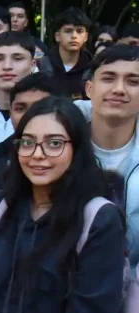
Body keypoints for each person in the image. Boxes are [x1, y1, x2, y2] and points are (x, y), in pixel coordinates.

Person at [0, 97, 127, 312]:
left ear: (77, 149)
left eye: (55, 143)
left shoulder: (99, 219)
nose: (37, 154)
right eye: (27, 142)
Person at [81, 44, 139, 270]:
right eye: (108, 78)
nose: (119, 89)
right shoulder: (59, 149)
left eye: (133, 81)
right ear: (89, 89)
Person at [0, 72, 65, 193]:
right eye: (20, 109)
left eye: (40, 108)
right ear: (10, 113)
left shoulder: (74, 157)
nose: (29, 115)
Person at [40, 8, 92, 100]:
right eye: (68, 31)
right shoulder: (42, 66)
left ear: (86, 37)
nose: (74, 36)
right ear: (57, 36)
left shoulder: (92, 68)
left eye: (79, 31)